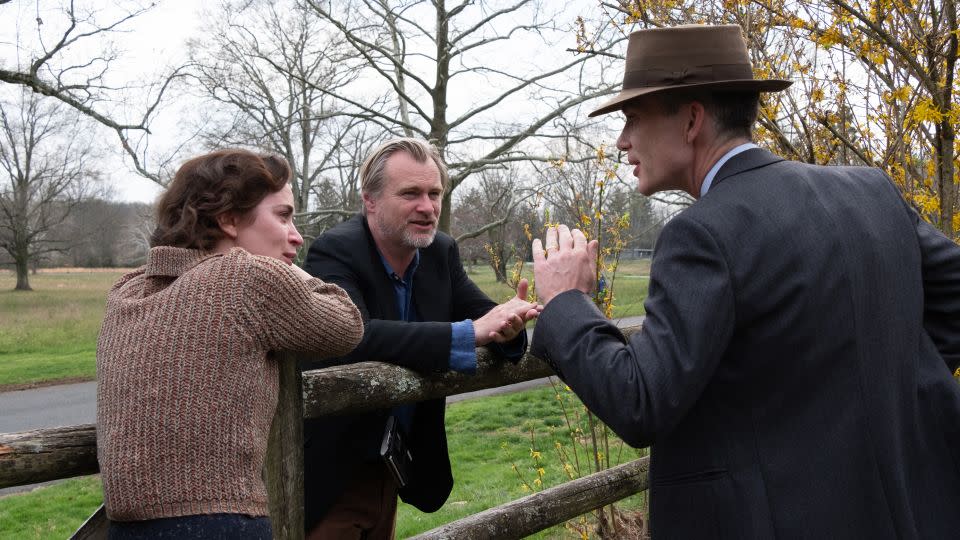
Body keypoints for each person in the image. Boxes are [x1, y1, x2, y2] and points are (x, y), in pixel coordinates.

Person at [530, 24, 960, 539]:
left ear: (691, 119)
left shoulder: (701, 234)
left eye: (633, 118)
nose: (622, 142)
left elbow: (640, 400)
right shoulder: (872, 190)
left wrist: (566, 301)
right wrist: (881, 387)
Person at [96, 149, 364, 539]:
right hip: (220, 522)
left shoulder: (127, 290)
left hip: (124, 528)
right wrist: (287, 271)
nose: (296, 235)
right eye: (283, 216)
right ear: (228, 219)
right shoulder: (243, 277)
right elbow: (346, 325)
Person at [301, 137, 541, 539]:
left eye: (434, 193)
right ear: (370, 200)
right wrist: (468, 333)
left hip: (393, 467)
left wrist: (509, 325)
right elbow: (354, 335)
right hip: (335, 469)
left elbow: (485, 316)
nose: (427, 207)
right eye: (410, 193)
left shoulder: (440, 252)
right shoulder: (335, 251)